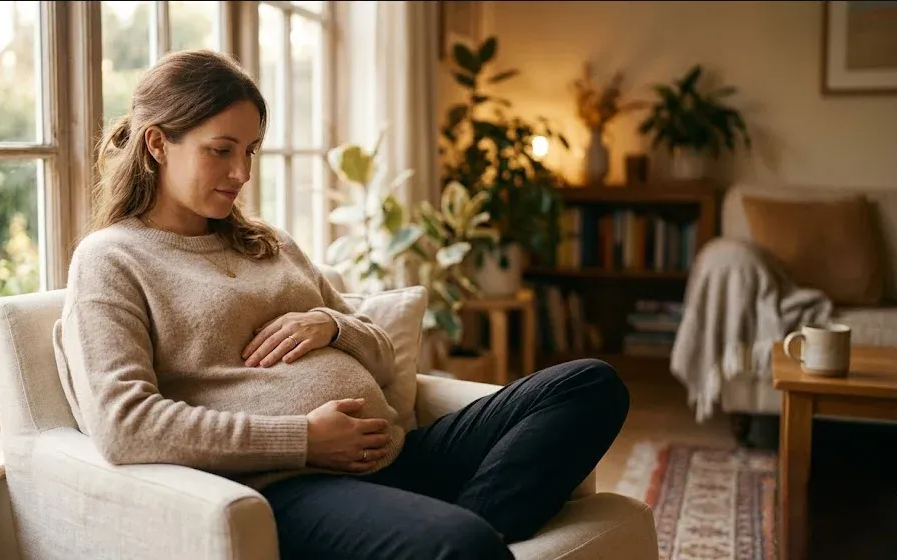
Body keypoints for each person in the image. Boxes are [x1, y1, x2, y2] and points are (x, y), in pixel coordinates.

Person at [60, 49, 630, 560]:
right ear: (158, 143)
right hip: (294, 484)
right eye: (221, 150)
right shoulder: (112, 259)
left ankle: (454, 531)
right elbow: (126, 425)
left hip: (403, 456)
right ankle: (458, 539)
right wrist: (303, 438)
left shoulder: (270, 242)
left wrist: (331, 325)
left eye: (251, 150)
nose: (242, 173)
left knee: (589, 385)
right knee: (464, 545)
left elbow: (382, 356)